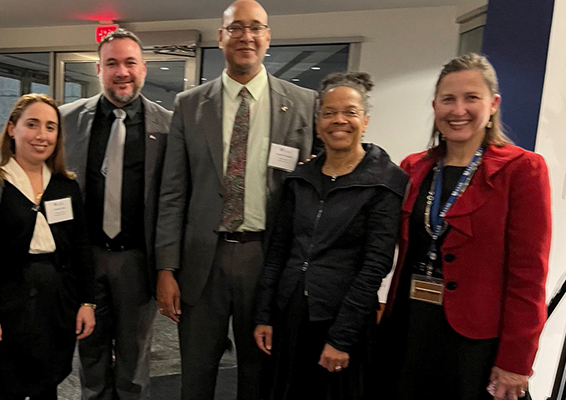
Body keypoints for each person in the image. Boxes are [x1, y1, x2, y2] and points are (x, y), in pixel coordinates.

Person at [154, 0, 318, 398]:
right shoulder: (189, 105)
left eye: (256, 27)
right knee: (196, 371)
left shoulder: (302, 103)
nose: (247, 36)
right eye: (237, 27)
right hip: (201, 260)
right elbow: (173, 191)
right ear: (221, 37)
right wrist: (166, 268)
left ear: (268, 37)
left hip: (267, 258)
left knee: (259, 371)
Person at [382, 53, 551, 400]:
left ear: (493, 104)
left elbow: (528, 275)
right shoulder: (412, 168)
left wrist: (517, 361)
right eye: (448, 99)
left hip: (475, 343)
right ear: (435, 106)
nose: (458, 110)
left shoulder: (522, 170)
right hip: (410, 326)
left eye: (471, 98)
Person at [253, 71, 407, 399]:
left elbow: (375, 265)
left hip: (341, 319)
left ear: (364, 120)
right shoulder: (299, 179)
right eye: (329, 113)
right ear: (318, 121)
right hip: (290, 313)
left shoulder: (385, 182)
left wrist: (341, 338)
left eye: (350, 112)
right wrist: (264, 314)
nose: (339, 120)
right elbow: (278, 251)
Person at [59, 28, 172, 399]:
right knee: (88, 349)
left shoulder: (169, 126)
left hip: (138, 262)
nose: (121, 71)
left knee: (135, 354)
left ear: (144, 67)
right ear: (98, 69)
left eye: (129, 62)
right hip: (85, 258)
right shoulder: (66, 120)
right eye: (112, 63)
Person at [0, 94, 95, 400]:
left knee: (47, 385)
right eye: (32, 124)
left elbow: (80, 248)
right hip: (6, 307)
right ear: (12, 128)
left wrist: (87, 302)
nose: (42, 135)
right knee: (9, 388)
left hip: (57, 305)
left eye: (51, 127)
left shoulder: (65, 185)